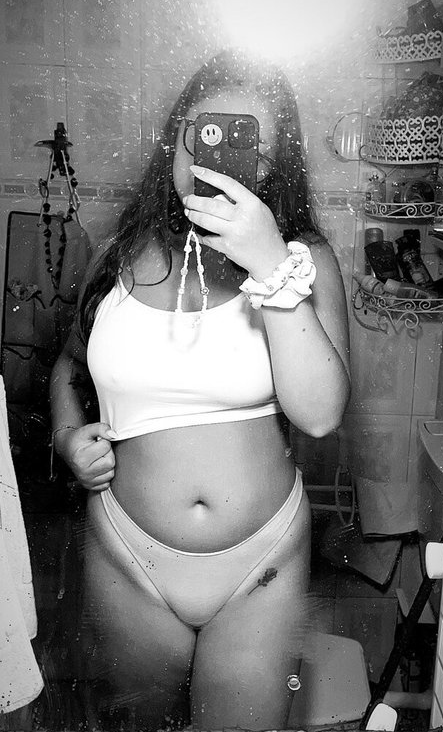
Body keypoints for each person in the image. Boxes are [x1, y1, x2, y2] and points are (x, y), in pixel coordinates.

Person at [50, 50, 350, 731]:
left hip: (263, 565)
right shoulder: (118, 253)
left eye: (247, 142)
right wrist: (68, 437)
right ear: (176, 139)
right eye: (204, 132)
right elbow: (68, 364)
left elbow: (320, 414)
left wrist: (270, 265)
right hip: (126, 555)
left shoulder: (302, 260)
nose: (218, 155)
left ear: (272, 167)